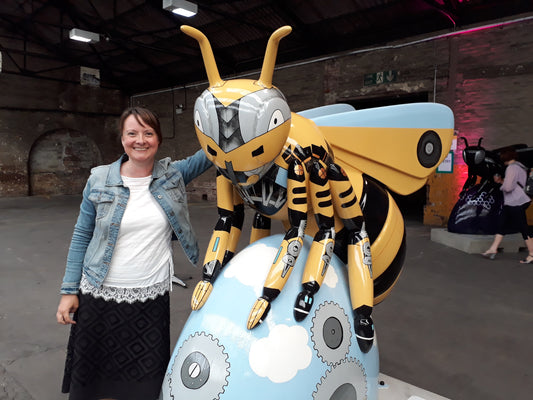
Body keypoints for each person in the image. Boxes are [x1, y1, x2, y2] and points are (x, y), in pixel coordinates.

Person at [56, 106, 212, 400]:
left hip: (149, 298)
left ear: (158, 139)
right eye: (132, 133)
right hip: (99, 295)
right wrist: (68, 290)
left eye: (148, 133)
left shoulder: (173, 175)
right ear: (122, 138)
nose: (140, 140)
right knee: (96, 383)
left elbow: (214, 151)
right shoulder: (100, 179)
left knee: (142, 386)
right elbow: (81, 236)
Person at [481, 147, 532, 263]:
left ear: (505, 157)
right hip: (514, 201)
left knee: (524, 228)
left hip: (515, 202)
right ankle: (493, 248)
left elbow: (509, 188)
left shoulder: (511, 168)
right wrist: (502, 181)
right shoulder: (521, 167)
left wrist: (501, 185)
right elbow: (515, 183)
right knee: (502, 225)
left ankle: (532, 254)